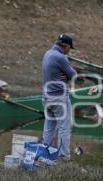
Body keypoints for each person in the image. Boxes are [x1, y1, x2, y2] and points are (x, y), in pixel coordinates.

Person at [42, 33, 76, 161]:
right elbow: (74, 76)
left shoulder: (47, 53)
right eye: (69, 48)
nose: (69, 51)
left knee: (49, 127)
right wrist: (70, 74)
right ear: (65, 46)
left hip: (46, 98)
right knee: (64, 128)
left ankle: (44, 154)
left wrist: (65, 75)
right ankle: (64, 158)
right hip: (59, 98)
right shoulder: (61, 57)